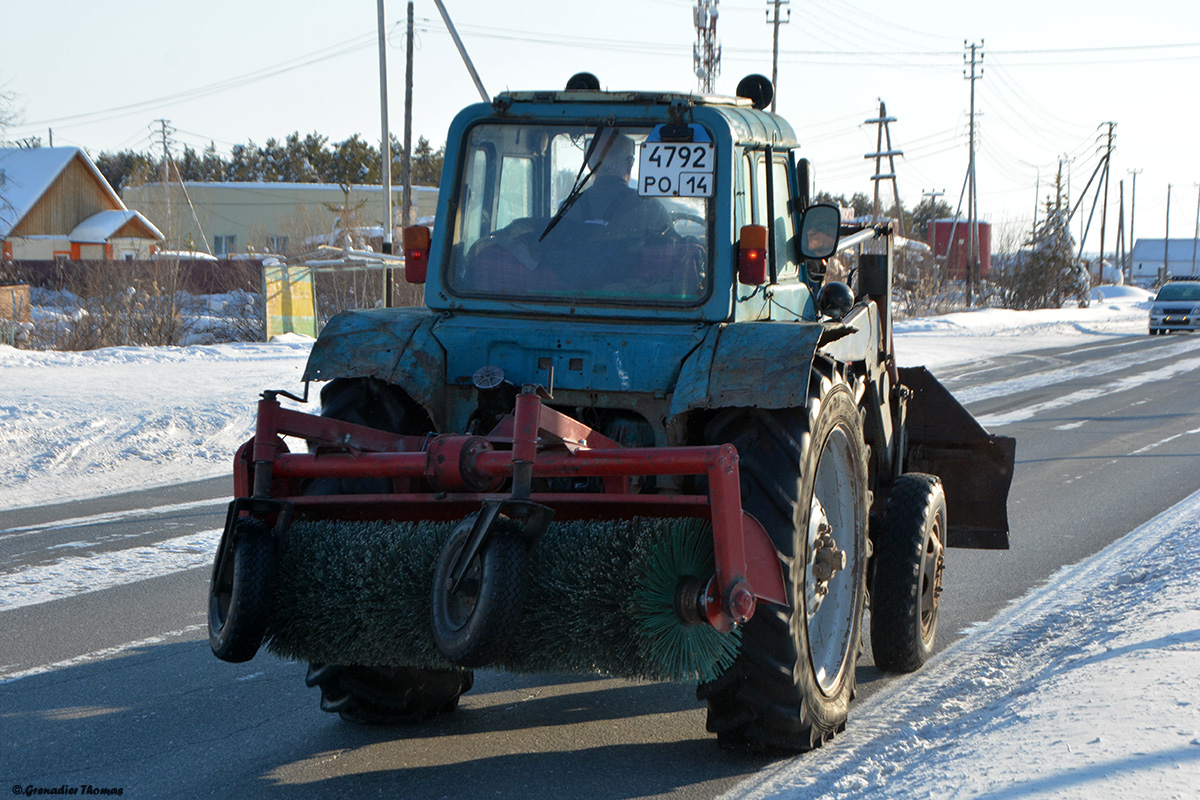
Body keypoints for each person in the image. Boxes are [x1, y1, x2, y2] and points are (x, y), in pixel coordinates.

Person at [573, 131, 672, 236]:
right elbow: (671, 248)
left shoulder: (568, 210)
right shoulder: (651, 209)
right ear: (629, 164)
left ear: (589, 164)